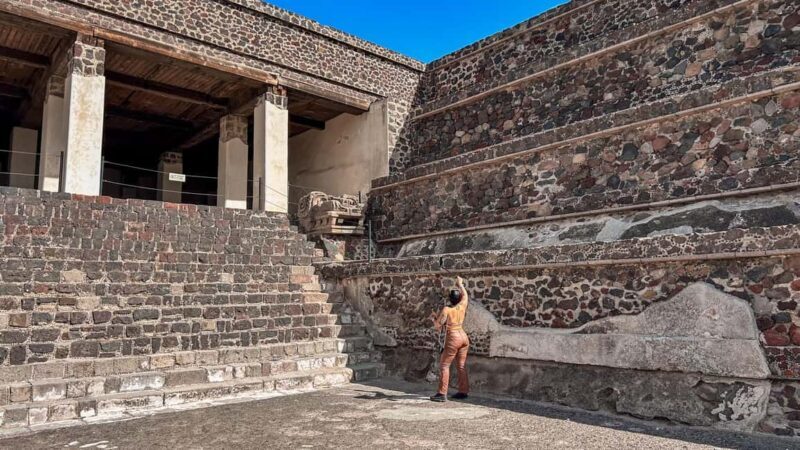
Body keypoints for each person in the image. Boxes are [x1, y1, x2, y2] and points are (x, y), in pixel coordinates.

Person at [429, 275, 470, 402]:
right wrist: (460, 283)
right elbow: (466, 295)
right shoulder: (463, 305)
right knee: (461, 366)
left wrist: (433, 318)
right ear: (459, 298)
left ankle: (442, 393)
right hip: (463, 336)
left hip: (453, 337)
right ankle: (463, 391)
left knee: (444, 365)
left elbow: (437, 326)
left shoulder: (447, 309)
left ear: (450, 299)